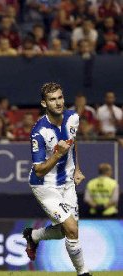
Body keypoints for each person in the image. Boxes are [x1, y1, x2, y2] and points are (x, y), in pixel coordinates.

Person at [23, 82, 92, 276]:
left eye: (60, 98)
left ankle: (33, 235)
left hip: (67, 182)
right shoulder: (39, 132)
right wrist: (57, 155)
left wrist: (77, 169)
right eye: (52, 99)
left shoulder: (73, 118)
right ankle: (83, 272)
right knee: (71, 228)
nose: (58, 102)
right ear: (44, 104)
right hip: (45, 185)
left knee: (66, 231)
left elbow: (73, 141)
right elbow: (38, 171)